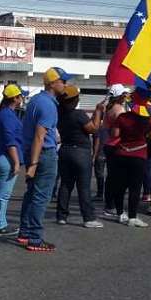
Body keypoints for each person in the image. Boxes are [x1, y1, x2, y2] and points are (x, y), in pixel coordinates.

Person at [16, 67, 72, 251]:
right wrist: (33, 163)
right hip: (43, 154)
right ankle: (35, 238)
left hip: (33, 151)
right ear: (51, 83)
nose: (65, 84)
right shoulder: (49, 105)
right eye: (62, 81)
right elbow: (40, 136)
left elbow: (37, 134)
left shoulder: (36, 101)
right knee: (41, 197)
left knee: (31, 194)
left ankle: (24, 233)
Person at [109, 91, 151, 227]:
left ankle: (120, 214)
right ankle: (132, 217)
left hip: (121, 152)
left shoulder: (122, 117)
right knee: (135, 187)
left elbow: (115, 134)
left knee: (120, 186)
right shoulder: (149, 120)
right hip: (139, 155)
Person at [55, 85, 105, 228]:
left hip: (65, 150)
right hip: (80, 152)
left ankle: (61, 215)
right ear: (74, 99)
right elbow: (94, 128)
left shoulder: (60, 113)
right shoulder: (77, 114)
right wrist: (98, 111)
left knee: (65, 185)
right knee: (83, 187)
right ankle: (88, 218)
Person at [0, 84, 24, 236]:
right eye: (21, 96)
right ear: (16, 98)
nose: (22, 98)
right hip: (7, 158)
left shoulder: (5, 113)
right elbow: (11, 141)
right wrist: (16, 162)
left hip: (3, 156)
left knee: (2, 194)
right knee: (3, 195)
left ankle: (0, 224)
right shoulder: (8, 115)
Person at [100, 84, 130, 219]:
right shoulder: (119, 109)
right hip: (118, 145)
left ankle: (109, 204)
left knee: (111, 177)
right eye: (124, 94)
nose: (125, 96)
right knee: (118, 178)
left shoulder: (108, 109)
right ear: (119, 95)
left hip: (109, 144)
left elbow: (106, 126)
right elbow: (122, 129)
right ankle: (114, 206)